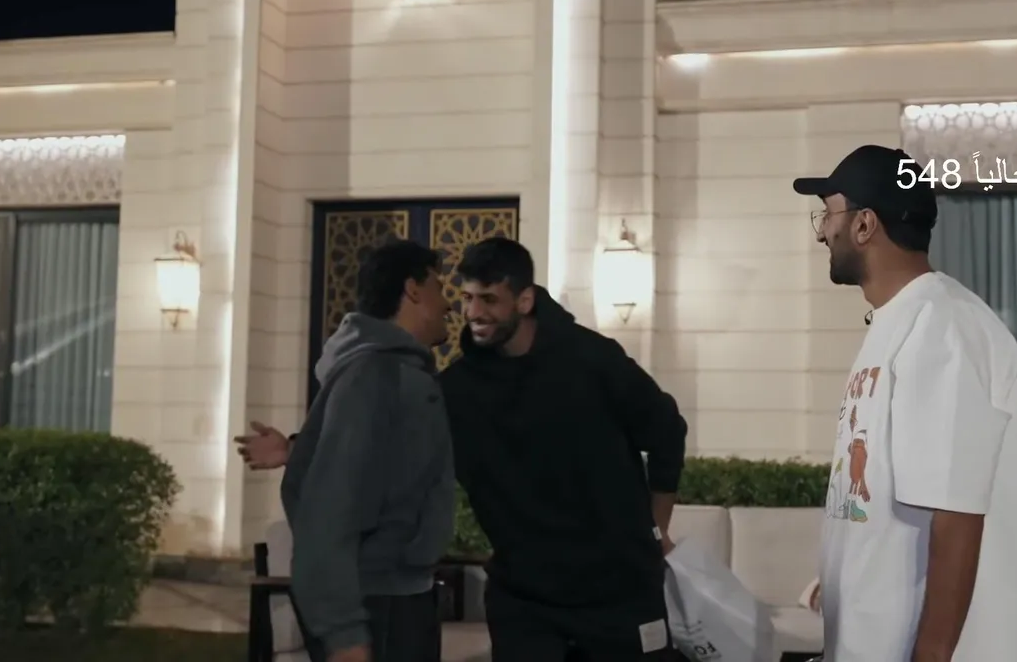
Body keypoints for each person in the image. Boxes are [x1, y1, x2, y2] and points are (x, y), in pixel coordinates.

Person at [239, 237, 689, 662]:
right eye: (468, 297)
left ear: (524, 300)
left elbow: (667, 431)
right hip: (525, 602)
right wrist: (298, 447)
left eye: (488, 299)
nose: (471, 312)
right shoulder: (453, 389)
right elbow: (384, 443)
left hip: (620, 594)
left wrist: (655, 530)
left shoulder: (593, 360)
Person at [795, 145, 1017, 662]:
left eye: (827, 215)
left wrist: (931, 654)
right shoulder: (898, 321)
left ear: (864, 224)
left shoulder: (942, 327)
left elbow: (957, 512)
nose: (821, 233)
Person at [279, 239, 455, 662]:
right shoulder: (375, 376)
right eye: (438, 287)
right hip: (379, 608)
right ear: (413, 289)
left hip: (402, 599)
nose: (448, 303)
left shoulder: (398, 373)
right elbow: (331, 508)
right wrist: (344, 633)